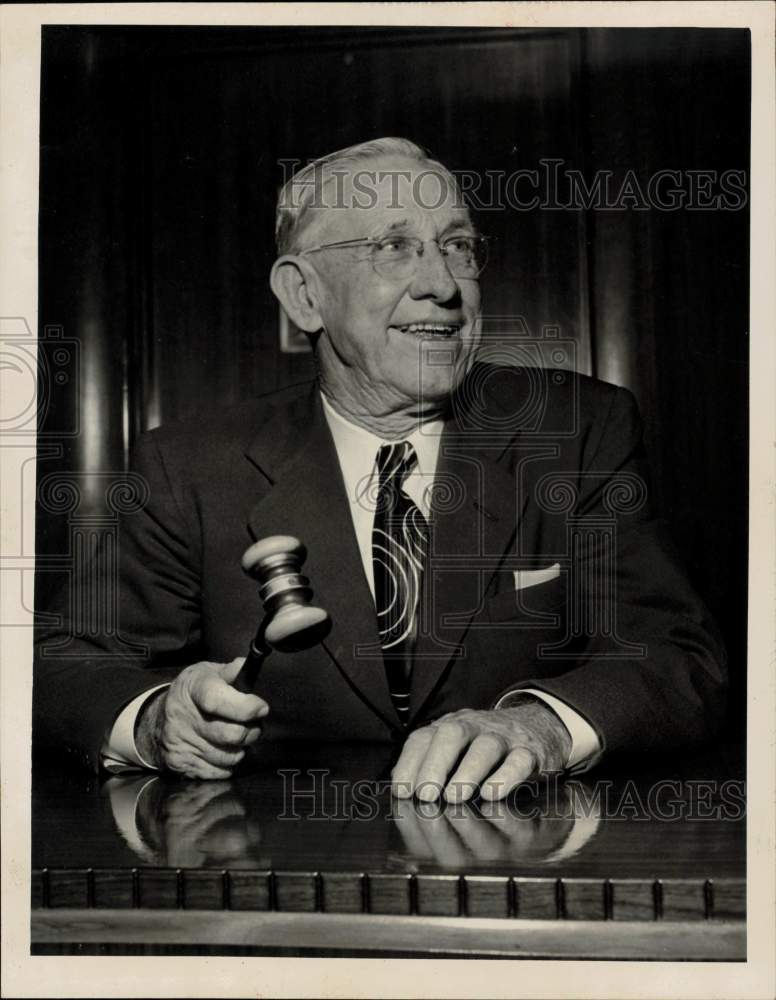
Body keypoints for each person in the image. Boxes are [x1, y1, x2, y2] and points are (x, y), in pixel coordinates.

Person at [33, 137, 727, 802]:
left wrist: (539, 727)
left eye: (457, 246)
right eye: (394, 248)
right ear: (304, 295)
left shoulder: (578, 431)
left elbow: (678, 658)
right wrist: (157, 721)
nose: (442, 284)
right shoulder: (189, 464)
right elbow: (61, 664)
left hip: (519, 873)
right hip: (284, 869)